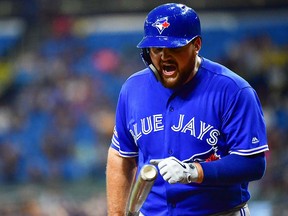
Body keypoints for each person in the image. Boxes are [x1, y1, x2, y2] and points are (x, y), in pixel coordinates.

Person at [106, 3, 269, 216]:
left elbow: (253, 164)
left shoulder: (233, 90)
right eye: (156, 49)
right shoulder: (132, 89)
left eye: (174, 48)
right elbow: (121, 155)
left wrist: (193, 171)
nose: (164, 56)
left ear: (197, 45)